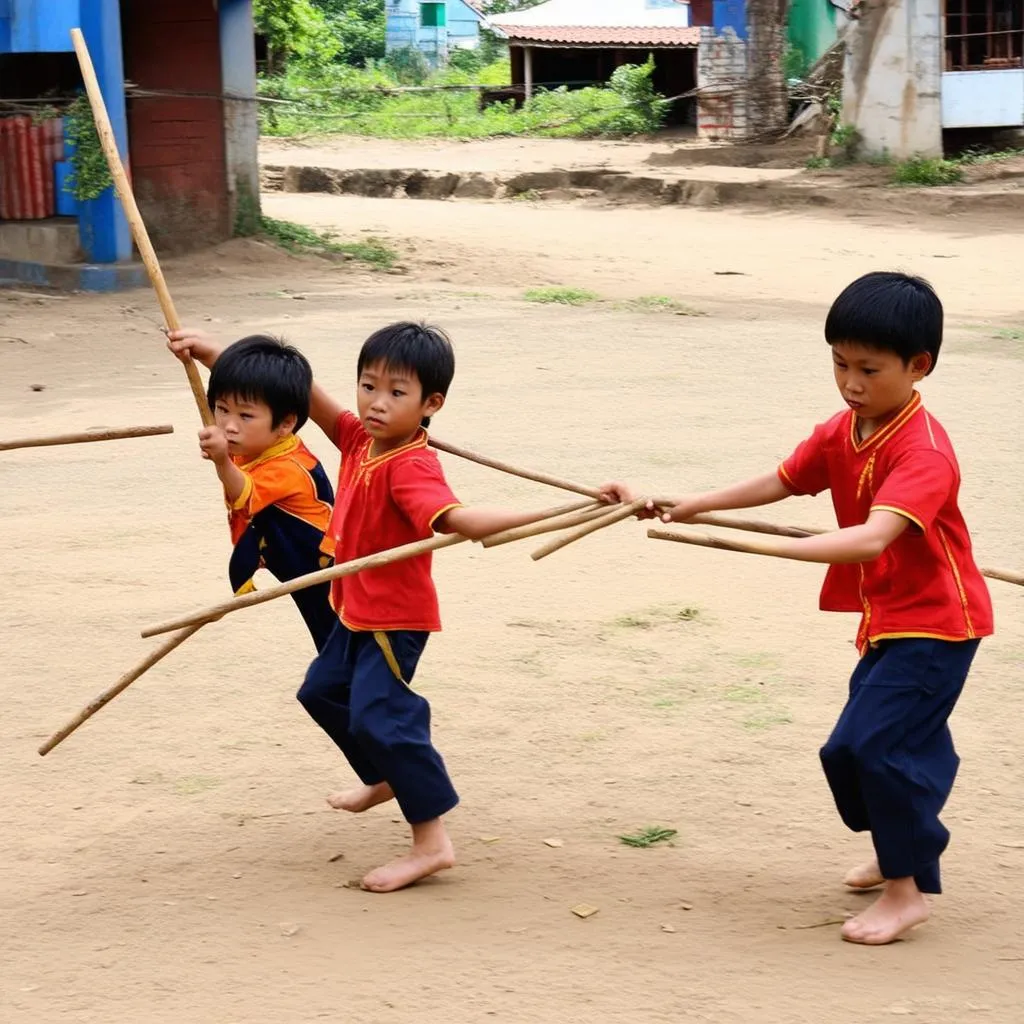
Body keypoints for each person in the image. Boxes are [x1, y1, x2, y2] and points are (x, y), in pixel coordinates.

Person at [603, 272, 994, 945]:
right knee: (853, 753)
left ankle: (907, 890)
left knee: (872, 746)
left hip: (937, 626)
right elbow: (785, 479)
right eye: (840, 363)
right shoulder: (847, 429)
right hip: (889, 620)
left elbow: (872, 537)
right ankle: (905, 839)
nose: (851, 382)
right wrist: (692, 503)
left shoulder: (924, 450)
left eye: (869, 369)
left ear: (918, 366)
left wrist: (773, 554)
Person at [172, 322, 557, 893]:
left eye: (396, 394)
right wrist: (212, 354)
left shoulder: (410, 467)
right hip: (354, 608)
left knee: (382, 716)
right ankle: (384, 776)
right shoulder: (358, 440)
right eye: (367, 386)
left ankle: (432, 843)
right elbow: (296, 391)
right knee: (321, 691)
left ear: (432, 404)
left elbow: (461, 522)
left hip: (393, 617)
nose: (376, 404)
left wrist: (554, 511)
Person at [174, 334, 336, 651]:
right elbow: (239, 392)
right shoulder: (255, 441)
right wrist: (206, 356)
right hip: (298, 568)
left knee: (336, 654)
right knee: (330, 653)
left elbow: (244, 495)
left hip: (328, 572)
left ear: (286, 423)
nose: (229, 425)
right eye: (221, 409)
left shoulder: (289, 466)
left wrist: (222, 459)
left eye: (245, 416)